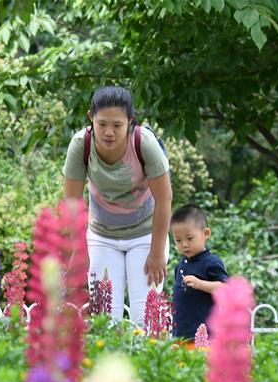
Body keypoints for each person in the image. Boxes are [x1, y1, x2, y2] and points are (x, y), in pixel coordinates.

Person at [63, 85, 172, 323]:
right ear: (91, 117)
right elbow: (72, 202)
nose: (109, 132)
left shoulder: (144, 143)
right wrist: (79, 251)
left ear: (130, 120)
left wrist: (156, 252)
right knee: (105, 319)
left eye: (117, 125)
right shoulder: (81, 145)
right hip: (102, 236)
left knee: (145, 319)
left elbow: (164, 200)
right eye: (102, 124)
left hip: (146, 235)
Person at [169, 204, 228, 340]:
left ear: (206, 233)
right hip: (179, 335)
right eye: (178, 240)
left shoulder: (211, 262)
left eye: (190, 238)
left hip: (204, 336)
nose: (184, 244)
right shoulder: (180, 265)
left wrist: (200, 284)